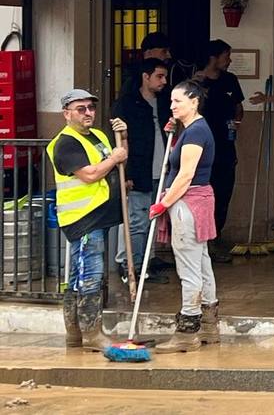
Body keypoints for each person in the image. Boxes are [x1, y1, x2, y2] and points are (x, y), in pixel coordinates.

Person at [48, 89, 128, 350]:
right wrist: (114, 158)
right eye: (81, 109)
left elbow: (118, 158)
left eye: (91, 108)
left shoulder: (99, 136)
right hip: (82, 219)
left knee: (79, 276)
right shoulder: (65, 142)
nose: (88, 113)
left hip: (99, 216)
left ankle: (75, 334)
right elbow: (90, 175)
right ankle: (92, 335)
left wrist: (123, 139)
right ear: (66, 113)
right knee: (90, 276)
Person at [150, 80, 219, 352]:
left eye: (177, 101)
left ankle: (187, 331)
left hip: (187, 203)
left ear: (194, 101)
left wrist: (163, 203)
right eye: (170, 101)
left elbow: (186, 175)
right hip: (195, 202)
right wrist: (175, 133)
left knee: (189, 267)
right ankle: (210, 328)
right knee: (201, 263)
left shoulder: (196, 132)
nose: (172, 106)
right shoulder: (191, 130)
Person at [113, 58, 171, 286]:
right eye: (159, 76)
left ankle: (145, 264)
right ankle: (131, 267)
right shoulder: (126, 104)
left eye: (165, 76)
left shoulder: (166, 102)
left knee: (152, 221)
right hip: (138, 171)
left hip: (161, 169)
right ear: (145, 77)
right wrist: (124, 174)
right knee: (136, 222)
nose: (164, 81)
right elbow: (117, 142)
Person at [194, 39, 244, 262]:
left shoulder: (230, 80)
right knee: (204, 195)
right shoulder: (196, 82)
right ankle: (203, 242)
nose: (229, 60)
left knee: (224, 194)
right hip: (202, 149)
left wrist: (236, 123)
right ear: (213, 57)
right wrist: (198, 88)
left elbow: (238, 108)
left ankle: (216, 236)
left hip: (225, 147)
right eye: (226, 55)